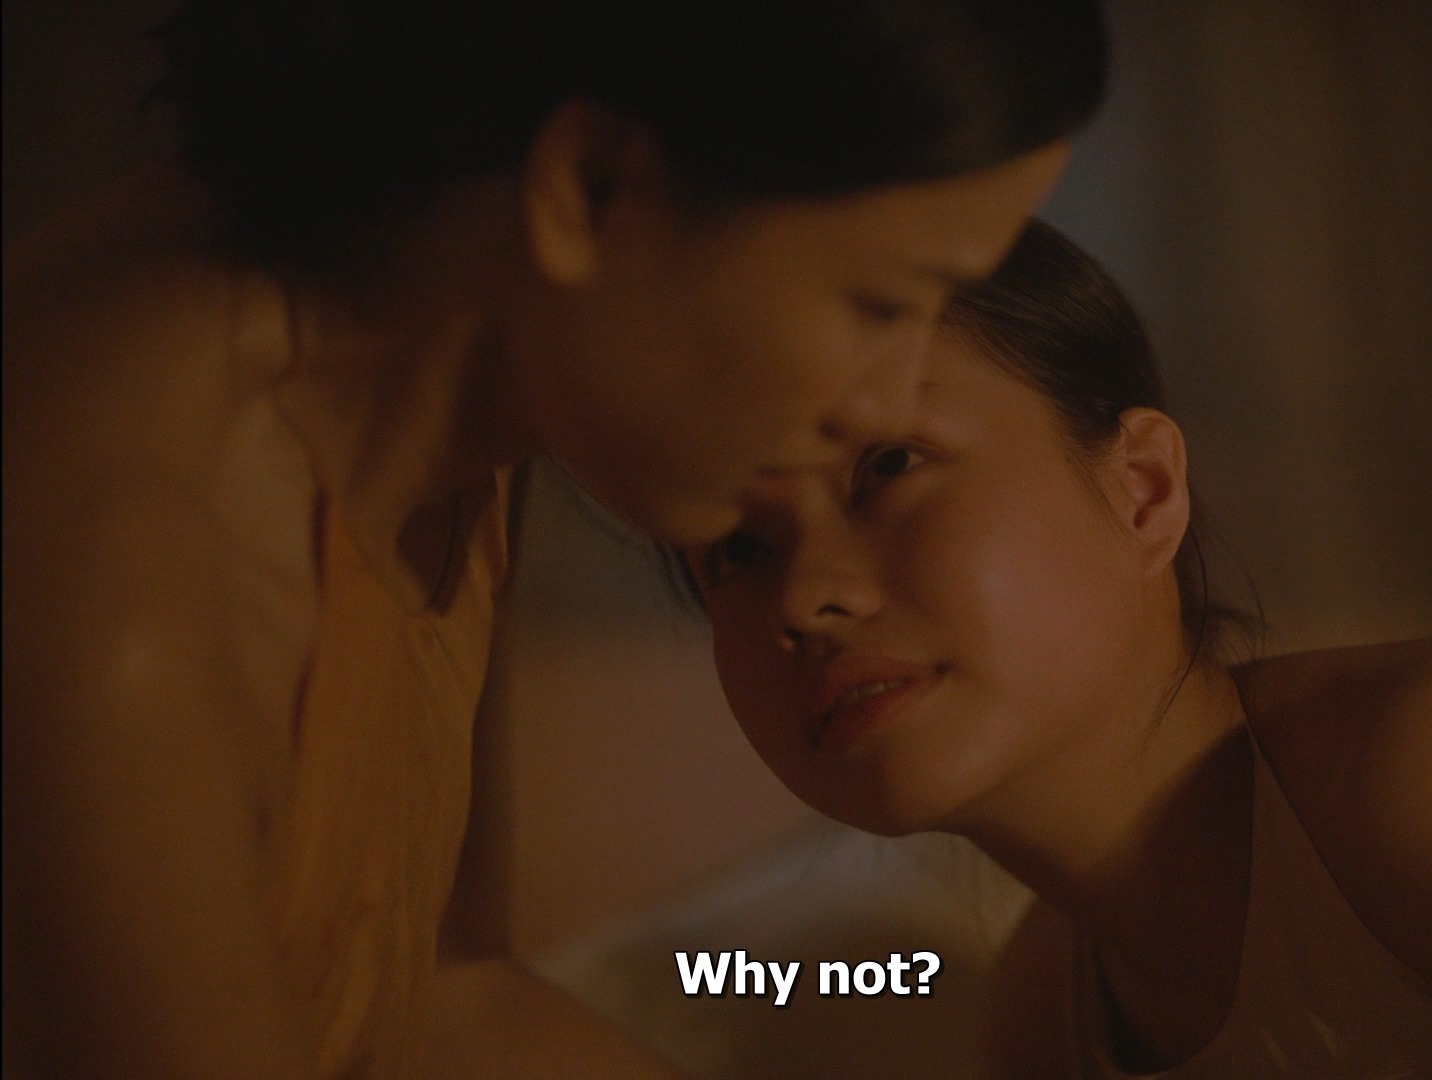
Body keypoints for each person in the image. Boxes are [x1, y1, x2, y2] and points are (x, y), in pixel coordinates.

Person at [0, 4, 1109, 1075]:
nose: (886, 398)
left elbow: (445, 995)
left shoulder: (464, 387)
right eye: (879, 304)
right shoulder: (116, 559)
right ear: (589, 185)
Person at [688, 221, 1432, 1077]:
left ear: (1142, 488)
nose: (803, 599)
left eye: (889, 465)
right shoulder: (1044, 1020)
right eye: (736, 550)